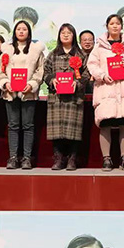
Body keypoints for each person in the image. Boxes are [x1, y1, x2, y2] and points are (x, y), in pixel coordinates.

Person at [87, 13, 124, 171]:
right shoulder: (99, 46)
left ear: (121, 26)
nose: (115, 26)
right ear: (107, 26)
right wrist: (102, 75)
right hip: (106, 89)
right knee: (105, 123)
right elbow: (92, 65)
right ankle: (107, 159)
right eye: (112, 23)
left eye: (118, 23)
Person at [0, 21, 44, 170]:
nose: (21, 31)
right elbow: (1, 71)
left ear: (29, 32)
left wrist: (32, 84)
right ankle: (13, 158)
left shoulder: (36, 50)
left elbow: (40, 71)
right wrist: (5, 83)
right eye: (19, 29)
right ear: (14, 32)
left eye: (24, 29)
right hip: (10, 93)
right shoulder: (7, 49)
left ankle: (26, 158)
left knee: (28, 126)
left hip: (28, 93)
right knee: (13, 126)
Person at [43, 23, 90, 171]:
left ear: (73, 36)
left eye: (69, 32)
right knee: (56, 131)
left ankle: (72, 160)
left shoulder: (81, 55)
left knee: (73, 131)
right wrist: (52, 80)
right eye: (62, 32)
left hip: (74, 98)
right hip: (56, 98)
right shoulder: (53, 54)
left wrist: (78, 83)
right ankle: (58, 159)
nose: (65, 35)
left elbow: (87, 73)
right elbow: (45, 72)